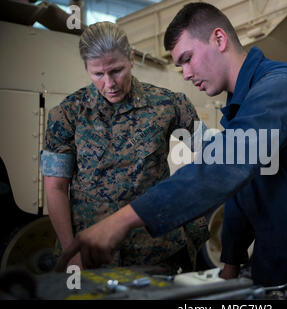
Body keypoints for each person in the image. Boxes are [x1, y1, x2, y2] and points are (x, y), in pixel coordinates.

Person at [57, 4, 287, 299]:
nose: (186, 74)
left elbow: (222, 168)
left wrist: (121, 220)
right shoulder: (242, 105)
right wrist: (231, 261)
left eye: (187, 58)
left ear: (219, 39)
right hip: (273, 260)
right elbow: (242, 189)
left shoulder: (282, 88)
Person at [41, 21, 209, 272]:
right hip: (91, 256)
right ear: (86, 68)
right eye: (98, 74)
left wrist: (195, 227)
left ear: (131, 58)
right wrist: (70, 251)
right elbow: (56, 187)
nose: (109, 83)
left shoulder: (170, 105)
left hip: (157, 253)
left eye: (116, 70)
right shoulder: (67, 115)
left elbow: (211, 157)